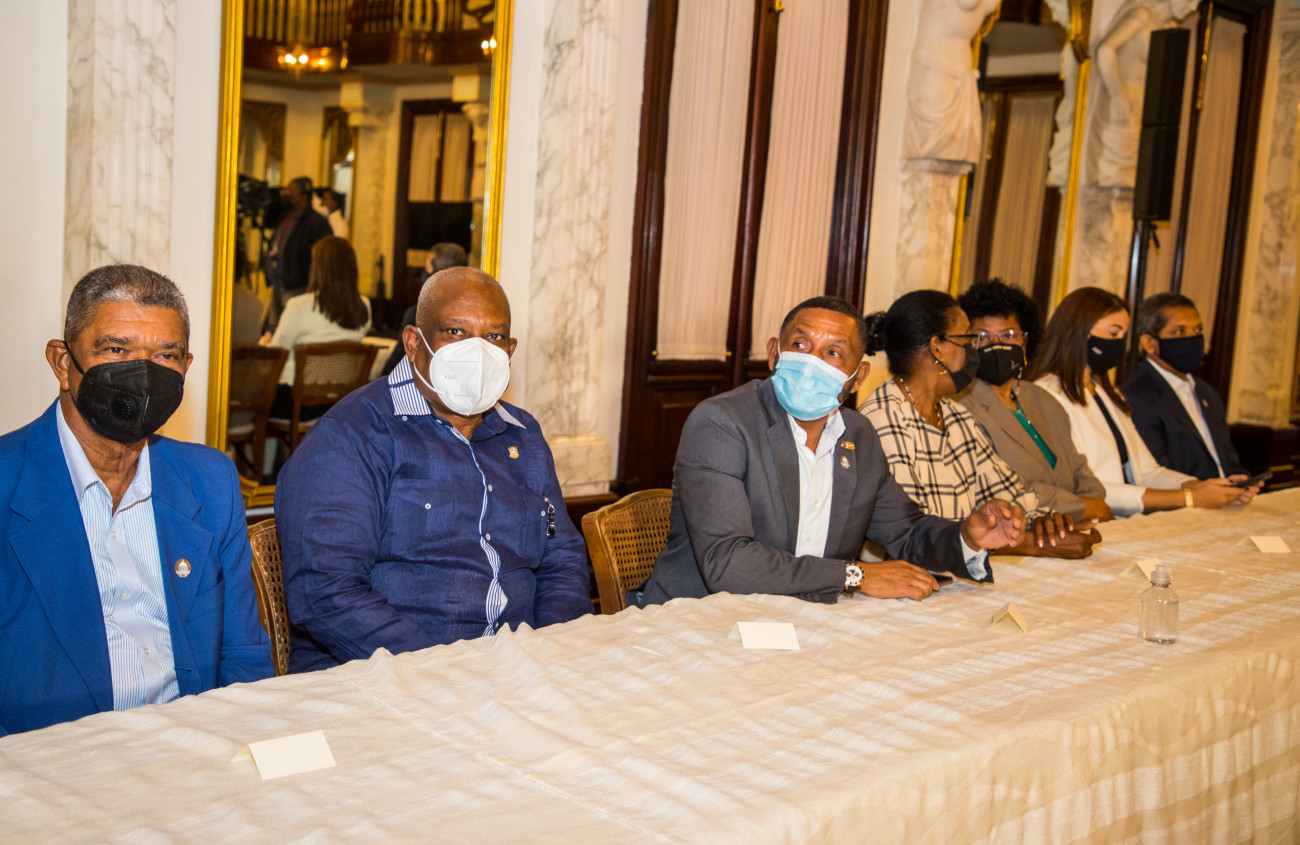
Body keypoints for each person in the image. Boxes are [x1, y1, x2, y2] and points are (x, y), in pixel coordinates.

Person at [0, 265, 273, 736]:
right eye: (116, 349)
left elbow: (243, 656)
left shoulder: (210, 480)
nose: (143, 373)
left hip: (194, 742)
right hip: (51, 758)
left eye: (166, 355)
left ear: (186, 367)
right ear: (63, 363)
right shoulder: (9, 482)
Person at [275, 267, 590, 672]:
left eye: (494, 336)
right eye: (455, 332)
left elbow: (562, 561)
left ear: (510, 350)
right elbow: (327, 594)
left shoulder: (523, 434)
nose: (477, 350)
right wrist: (448, 671)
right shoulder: (352, 435)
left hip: (518, 669)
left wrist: (555, 654)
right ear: (413, 343)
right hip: (387, 677)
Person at [637, 296, 1030, 607]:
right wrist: (854, 576)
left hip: (805, 622)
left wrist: (968, 535)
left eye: (833, 353)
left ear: (857, 378)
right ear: (774, 353)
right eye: (801, 344)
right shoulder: (722, 423)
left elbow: (907, 532)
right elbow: (727, 562)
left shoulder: (858, 436)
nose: (812, 361)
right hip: (702, 620)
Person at [860, 290, 1098, 558]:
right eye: (968, 339)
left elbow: (1009, 492)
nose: (975, 351)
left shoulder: (956, 415)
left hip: (959, 571)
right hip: (908, 577)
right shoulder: (883, 419)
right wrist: (1032, 544)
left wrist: (1046, 524)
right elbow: (914, 533)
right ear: (938, 349)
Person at [1027, 287, 1255, 516]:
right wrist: (1190, 498)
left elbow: (1146, 472)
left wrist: (1198, 486)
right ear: (1078, 332)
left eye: (1123, 335)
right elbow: (1082, 488)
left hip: (1125, 521)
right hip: (1093, 521)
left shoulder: (1108, 394)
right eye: (1113, 334)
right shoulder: (1046, 395)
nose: (1119, 344)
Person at [956, 279, 1113, 523]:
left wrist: (1090, 505)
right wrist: (1082, 508)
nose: (996, 344)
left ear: (1025, 341)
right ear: (966, 343)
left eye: (1008, 335)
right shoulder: (960, 406)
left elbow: (1083, 475)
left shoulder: (1043, 399)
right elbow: (1008, 489)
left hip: (1071, 529)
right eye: (982, 336)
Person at [1123, 292, 1248, 480]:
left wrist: (1240, 480)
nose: (1193, 338)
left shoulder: (1207, 393)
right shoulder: (1136, 397)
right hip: (1183, 497)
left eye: (1198, 330)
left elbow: (1227, 461)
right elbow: (1154, 475)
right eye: (1180, 332)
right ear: (1149, 343)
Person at [265, 236, 372, 420]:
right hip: (341, 405)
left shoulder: (300, 306)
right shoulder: (364, 306)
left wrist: (265, 344)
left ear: (317, 268)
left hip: (297, 405)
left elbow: (276, 354)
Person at [381, 242, 469, 376]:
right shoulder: (470, 313)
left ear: (436, 274)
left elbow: (397, 363)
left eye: (426, 268)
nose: (423, 273)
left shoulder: (417, 314)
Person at [265, 176, 332, 329]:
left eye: (291, 191)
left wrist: (310, 284)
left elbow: (321, 257)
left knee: (292, 328)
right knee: (274, 329)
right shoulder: (284, 217)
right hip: (278, 285)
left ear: (304, 196)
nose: (287, 194)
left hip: (298, 287)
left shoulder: (316, 223)